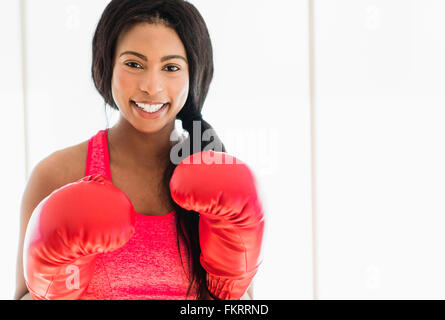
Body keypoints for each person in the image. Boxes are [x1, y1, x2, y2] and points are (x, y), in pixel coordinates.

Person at [14, 0, 264, 300]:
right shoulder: (57, 173)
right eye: (134, 64)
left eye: (171, 67)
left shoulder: (218, 179)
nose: (151, 85)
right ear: (107, 65)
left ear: (193, 75)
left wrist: (230, 286)